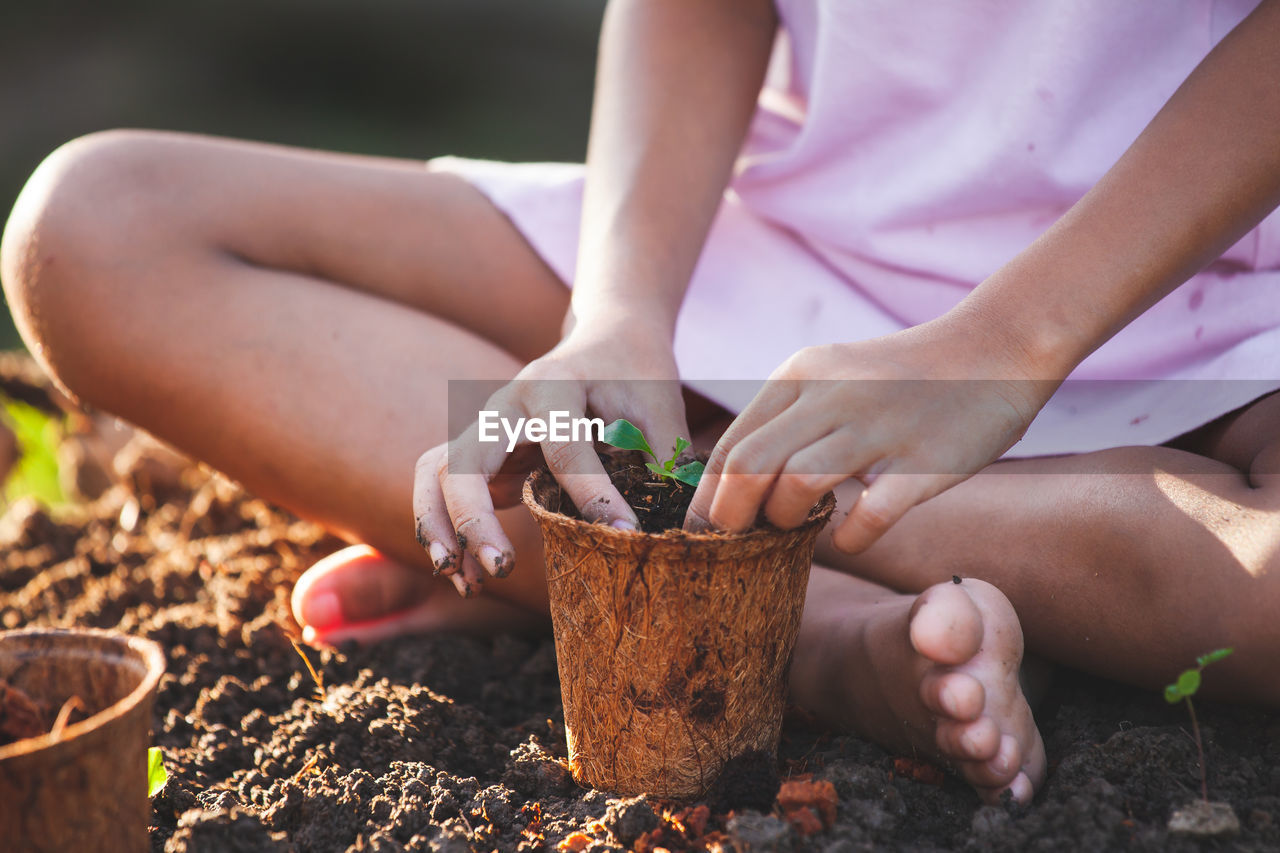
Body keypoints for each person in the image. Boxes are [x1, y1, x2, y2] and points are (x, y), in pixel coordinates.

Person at [3, 0, 1279, 806]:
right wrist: (618, 316)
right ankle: (817, 630)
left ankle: (623, 536)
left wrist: (1000, 349)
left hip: (1209, 289)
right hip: (783, 250)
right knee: (97, 229)